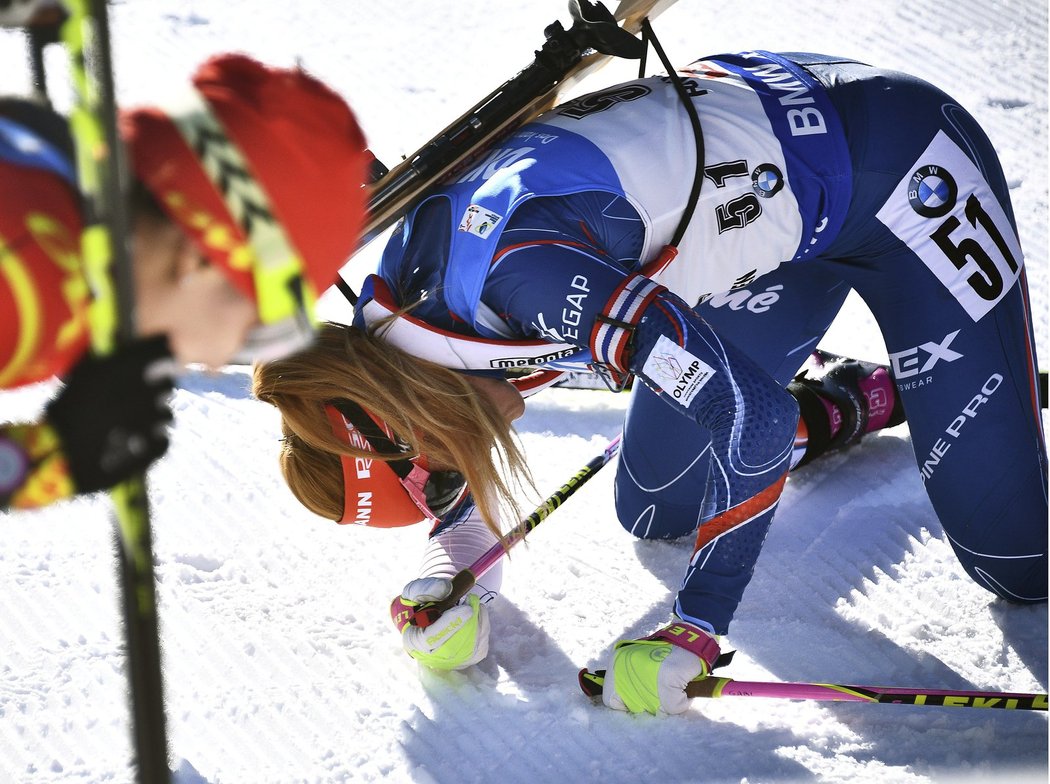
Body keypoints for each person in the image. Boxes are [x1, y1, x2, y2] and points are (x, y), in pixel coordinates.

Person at [252, 49, 1047, 715]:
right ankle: (855, 397)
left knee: (1017, 564)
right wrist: (444, 574)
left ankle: (927, 386)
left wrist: (695, 628)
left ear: (404, 415)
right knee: (658, 506)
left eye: (443, 464)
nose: (468, 466)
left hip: (895, 173)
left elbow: (754, 418)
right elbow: (437, 463)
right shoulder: (396, 330)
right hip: (768, 232)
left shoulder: (528, 281)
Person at [0, 53, 370, 510]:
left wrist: (46, 458)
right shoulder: (29, 286)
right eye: (257, 330)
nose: (217, 362)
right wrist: (49, 462)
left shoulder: (50, 205)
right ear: (200, 259)